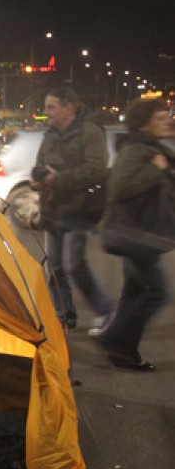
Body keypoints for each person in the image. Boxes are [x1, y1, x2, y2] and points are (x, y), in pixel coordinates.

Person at [95, 98, 175, 371]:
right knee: (157, 292)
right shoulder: (139, 150)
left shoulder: (151, 148)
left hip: (138, 234)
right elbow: (120, 187)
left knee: (135, 290)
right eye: (160, 117)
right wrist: (156, 169)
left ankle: (123, 351)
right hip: (136, 236)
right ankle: (114, 340)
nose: (167, 121)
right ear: (143, 123)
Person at [31, 86, 112, 332]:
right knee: (54, 267)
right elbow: (39, 164)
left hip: (80, 209)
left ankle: (104, 310)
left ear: (69, 107)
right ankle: (63, 316)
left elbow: (96, 169)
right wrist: (38, 179)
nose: (46, 112)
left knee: (73, 264)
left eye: (51, 107)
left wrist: (59, 179)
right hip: (53, 209)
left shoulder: (90, 132)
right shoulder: (49, 136)